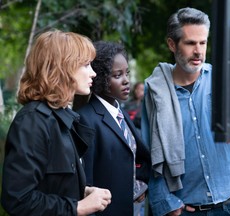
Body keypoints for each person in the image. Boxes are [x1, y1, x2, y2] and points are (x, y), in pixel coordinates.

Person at [141, 7, 230, 216]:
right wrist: (167, 203)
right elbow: (150, 150)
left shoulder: (223, 79)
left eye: (203, 42)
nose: (199, 51)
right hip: (187, 208)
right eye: (191, 43)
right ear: (172, 44)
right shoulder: (155, 90)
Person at [1, 30, 112, 216]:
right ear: (62, 67)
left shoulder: (59, 117)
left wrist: (82, 192)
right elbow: (18, 200)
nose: (93, 73)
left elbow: (50, 184)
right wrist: (79, 207)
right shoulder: (33, 122)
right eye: (86, 65)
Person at [76, 41, 151, 216]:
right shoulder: (85, 120)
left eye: (127, 73)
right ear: (100, 78)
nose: (126, 81)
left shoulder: (120, 112)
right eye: (117, 75)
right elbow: (86, 182)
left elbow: (138, 154)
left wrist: (139, 184)